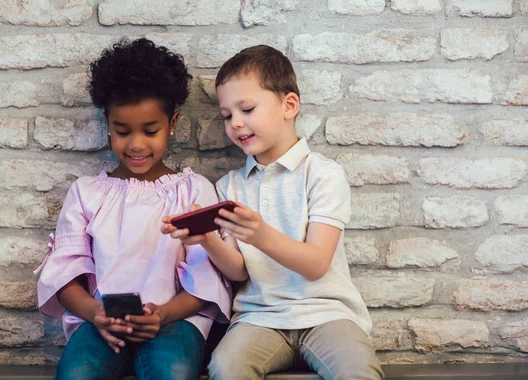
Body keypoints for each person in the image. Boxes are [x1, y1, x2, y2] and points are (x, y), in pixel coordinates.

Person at [163, 45, 383, 380]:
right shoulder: (230, 187)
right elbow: (238, 272)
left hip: (326, 315)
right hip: (259, 318)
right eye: (226, 115)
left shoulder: (323, 174)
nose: (236, 123)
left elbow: (315, 264)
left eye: (247, 109)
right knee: (225, 367)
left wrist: (261, 235)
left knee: (358, 370)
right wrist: (207, 238)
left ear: (289, 105)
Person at [35, 38, 231, 380]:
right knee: (76, 374)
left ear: (172, 123)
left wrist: (164, 314)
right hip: (102, 323)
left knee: (172, 372)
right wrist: (97, 314)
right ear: (107, 123)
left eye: (150, 130)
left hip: (176, 320)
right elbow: (64, 275)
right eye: (122, 131)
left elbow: (208, 276)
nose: (136, 144)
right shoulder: (86, 193)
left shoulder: (193, 191)